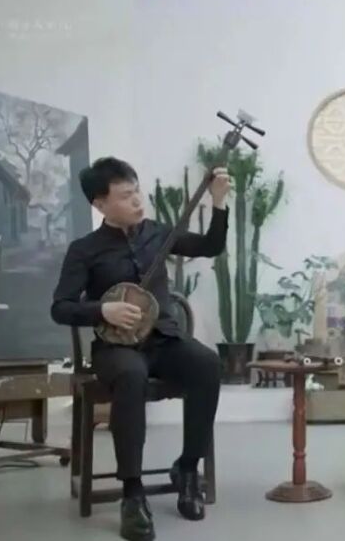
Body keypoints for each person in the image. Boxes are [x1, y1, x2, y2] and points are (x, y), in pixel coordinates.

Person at [51, 157, 230, 541]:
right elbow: (60, 307)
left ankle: (187, 468)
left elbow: (211, 246)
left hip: (164, 339)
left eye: (137, 192)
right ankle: (132, 493)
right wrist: (102, 310)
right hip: (115, 348)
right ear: (100, 204)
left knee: (206, 364)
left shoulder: (158, 233)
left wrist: (218, 202)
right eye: (125, 196)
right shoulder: (85, 250)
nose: (137, 201)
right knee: (131, 375)